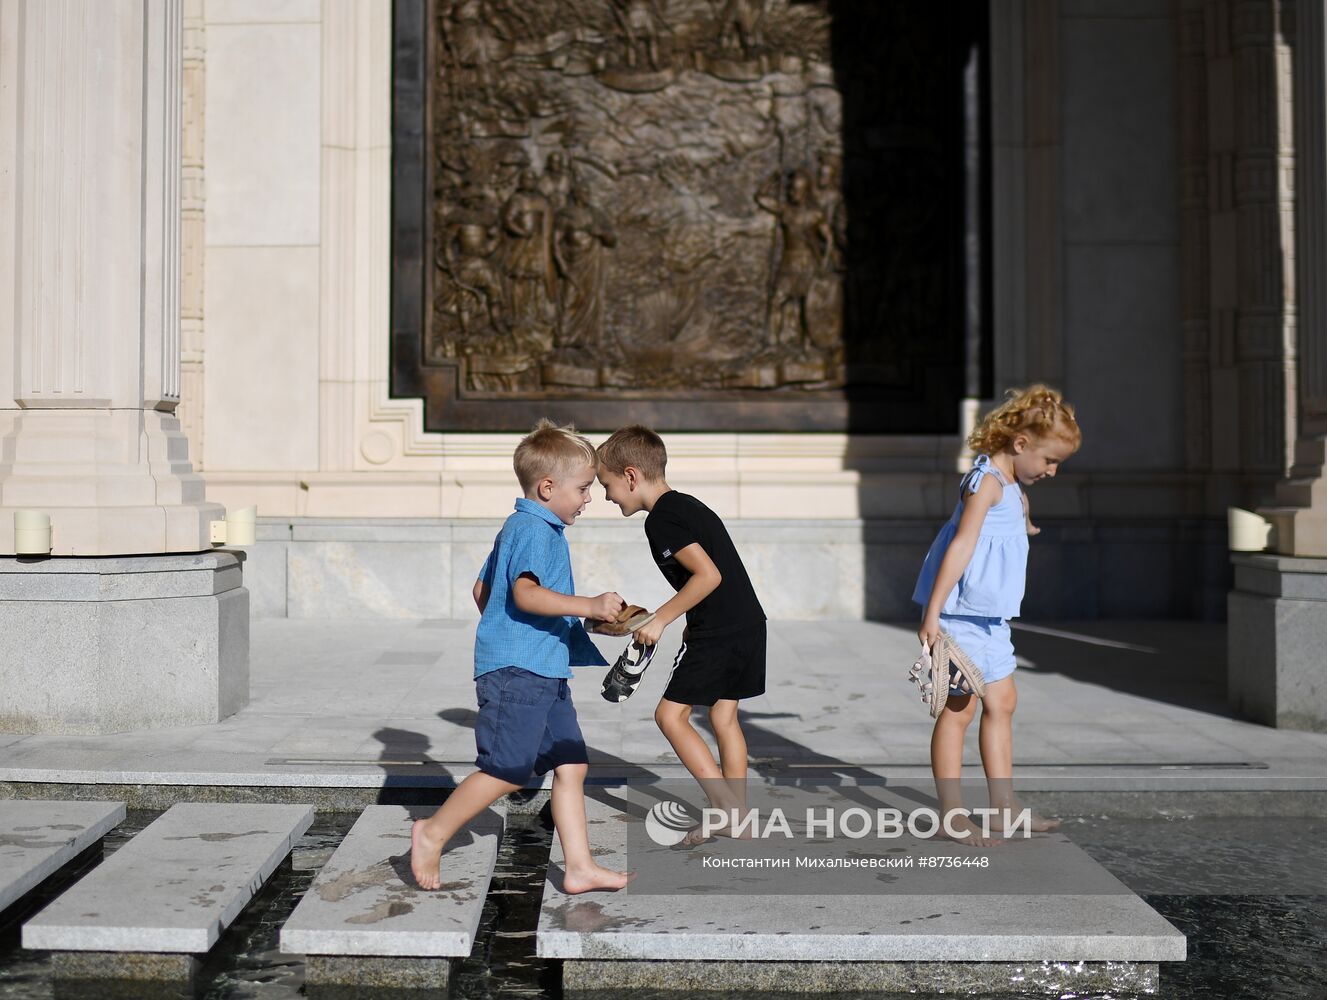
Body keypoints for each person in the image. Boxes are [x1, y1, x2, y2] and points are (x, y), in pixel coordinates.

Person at [410, 420, 631, 893]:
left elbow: (484, 591)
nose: (589, 498)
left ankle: (579, 866)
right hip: (519, 673)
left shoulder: (527, 526)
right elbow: (526, 594)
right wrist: (586, 605)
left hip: (541, 668)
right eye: (584, 489)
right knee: (507, 769)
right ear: (548, 487)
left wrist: (580, 622)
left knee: (571, 763)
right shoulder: (534, 529)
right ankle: (432, 832)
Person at [914, 385, 1081, 845]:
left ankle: (1004, 807)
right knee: (958, 711)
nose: (1051, 471)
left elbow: (1008, 520)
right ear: (1020, 444)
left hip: (992, 620)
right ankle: (952, 814)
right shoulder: (983, 482)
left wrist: (1024, 520)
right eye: (1049, 461)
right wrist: (932, 613)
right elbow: (961, 545)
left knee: (1003, 702)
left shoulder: (1010, 487)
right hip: (960, 617)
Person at [596, 425, 766, 844]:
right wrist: (689, 619)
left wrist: (661, 619)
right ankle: (737, 815)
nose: (606, 495)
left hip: (721, 632)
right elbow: (717, 575)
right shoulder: (687, 505)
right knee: (724, 718)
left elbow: (708, 574)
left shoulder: (662, 521)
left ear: (631, 475)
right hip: (747, 623)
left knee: (670, 716)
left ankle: (727, 809)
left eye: (608, 484)